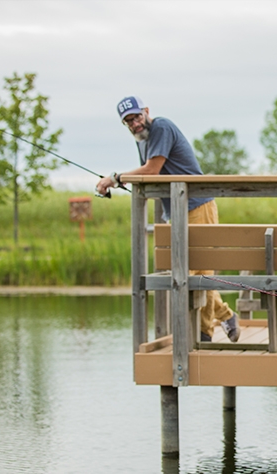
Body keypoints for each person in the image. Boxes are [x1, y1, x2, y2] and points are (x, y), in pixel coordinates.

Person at [96, 96, 239, 343]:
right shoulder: (142, 140)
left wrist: (115, 178)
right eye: (128, 121)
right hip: (177, 210)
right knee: (198, 273)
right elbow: (151, 175)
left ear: (146, 111)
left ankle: (207, 330)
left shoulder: (161, 127)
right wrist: (121, 181)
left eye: (136, 116)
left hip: (197, 206)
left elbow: (151, 170)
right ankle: (215, 325)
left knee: (189, 272)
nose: (134, 123)